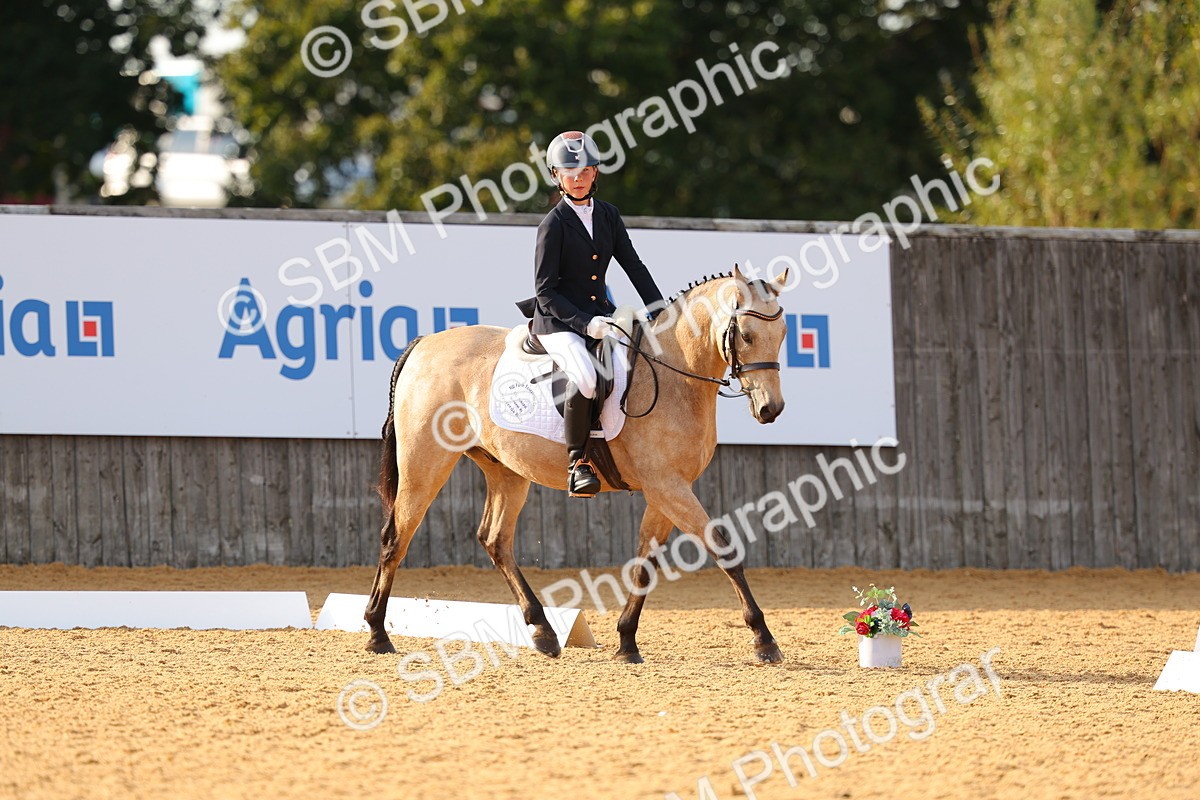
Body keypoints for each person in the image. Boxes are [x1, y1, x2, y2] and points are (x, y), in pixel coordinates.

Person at [516, 130, 665, 498]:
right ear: (556, 176)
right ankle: (577, 462)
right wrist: (586, 323)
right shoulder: (553, 225)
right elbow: (545, 292)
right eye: (570, 172)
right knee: (585, 378)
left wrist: (660, 309)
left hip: (601, 315)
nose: (578, 178)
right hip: (558, 322)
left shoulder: (609, 215)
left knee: (638, 361)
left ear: (595, 172)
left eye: (585, 170)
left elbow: (634, 266)